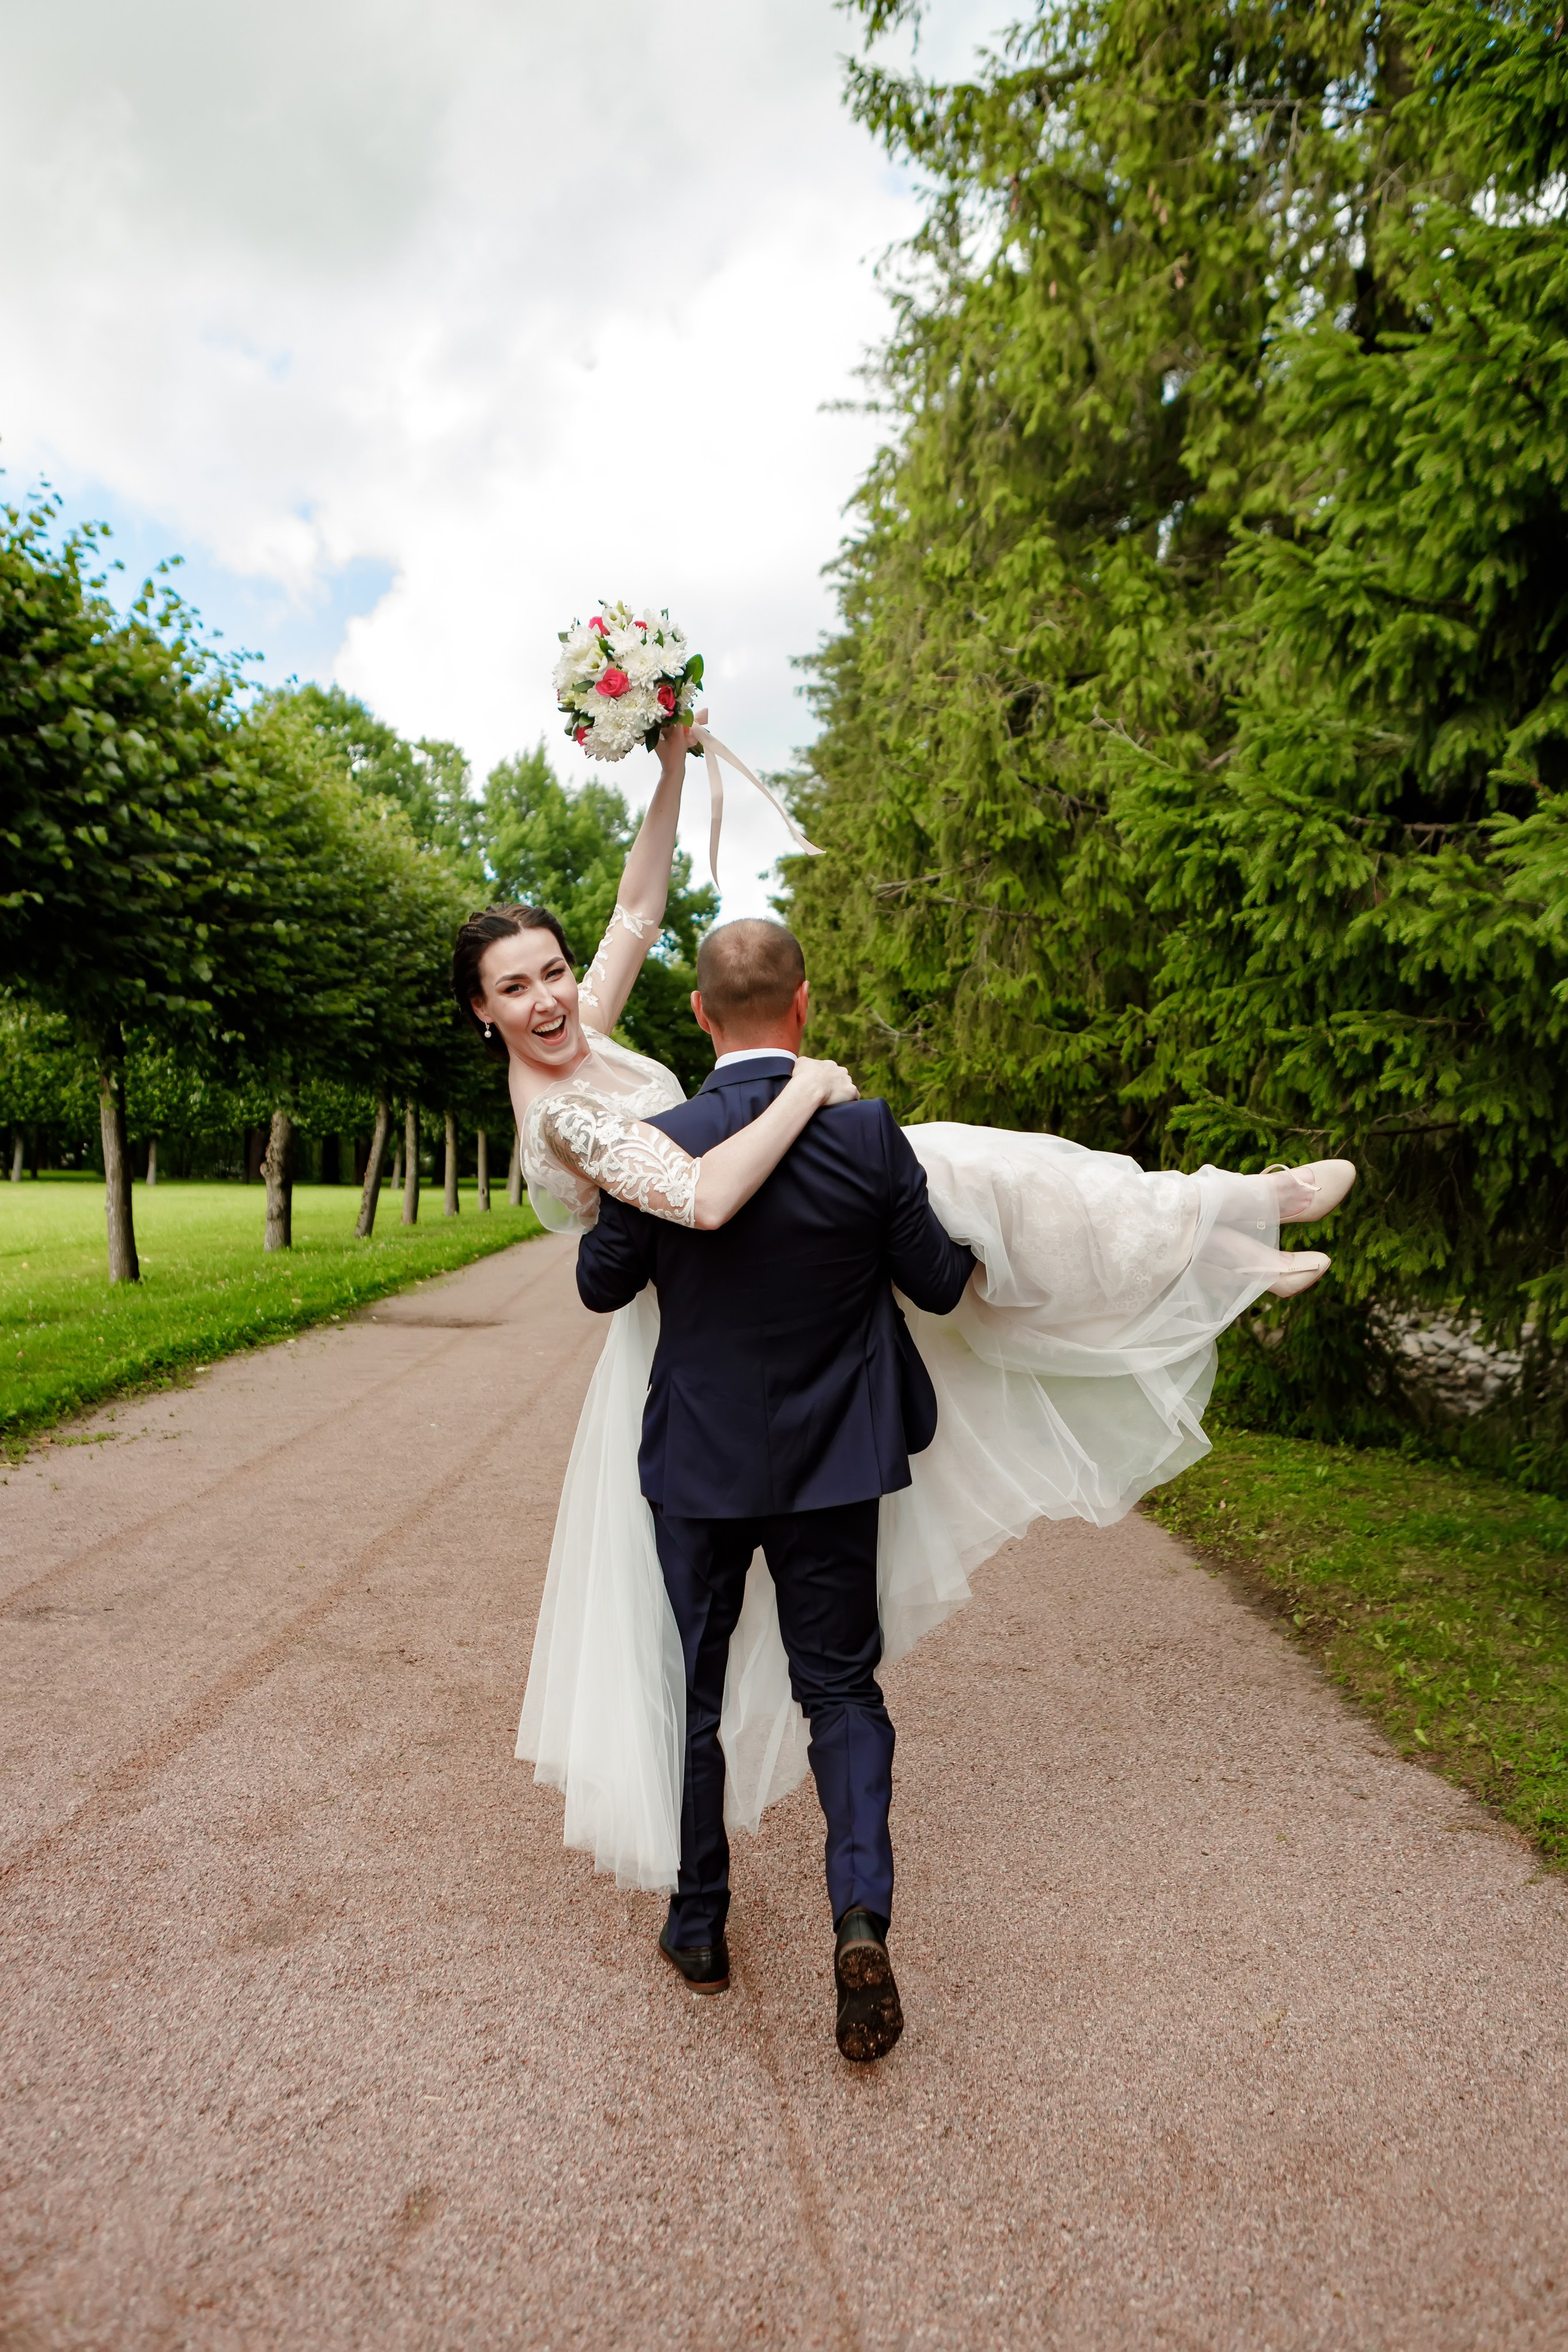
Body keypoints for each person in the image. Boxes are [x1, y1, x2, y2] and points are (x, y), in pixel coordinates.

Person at [454, 720, 1355, 2061]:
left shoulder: (590, 1029)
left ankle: (1219, 1227)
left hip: (716, 1383)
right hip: (686, 1336)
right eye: (514, 987)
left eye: (552, 970)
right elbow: (700, 1193)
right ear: (479, 1012)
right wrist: (813, 1092)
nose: (545, 998)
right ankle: (1218, 1235)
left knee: (984, 1172)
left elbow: (641, 898)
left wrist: (671, 759)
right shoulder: (564, 1120)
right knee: (738, 1670)